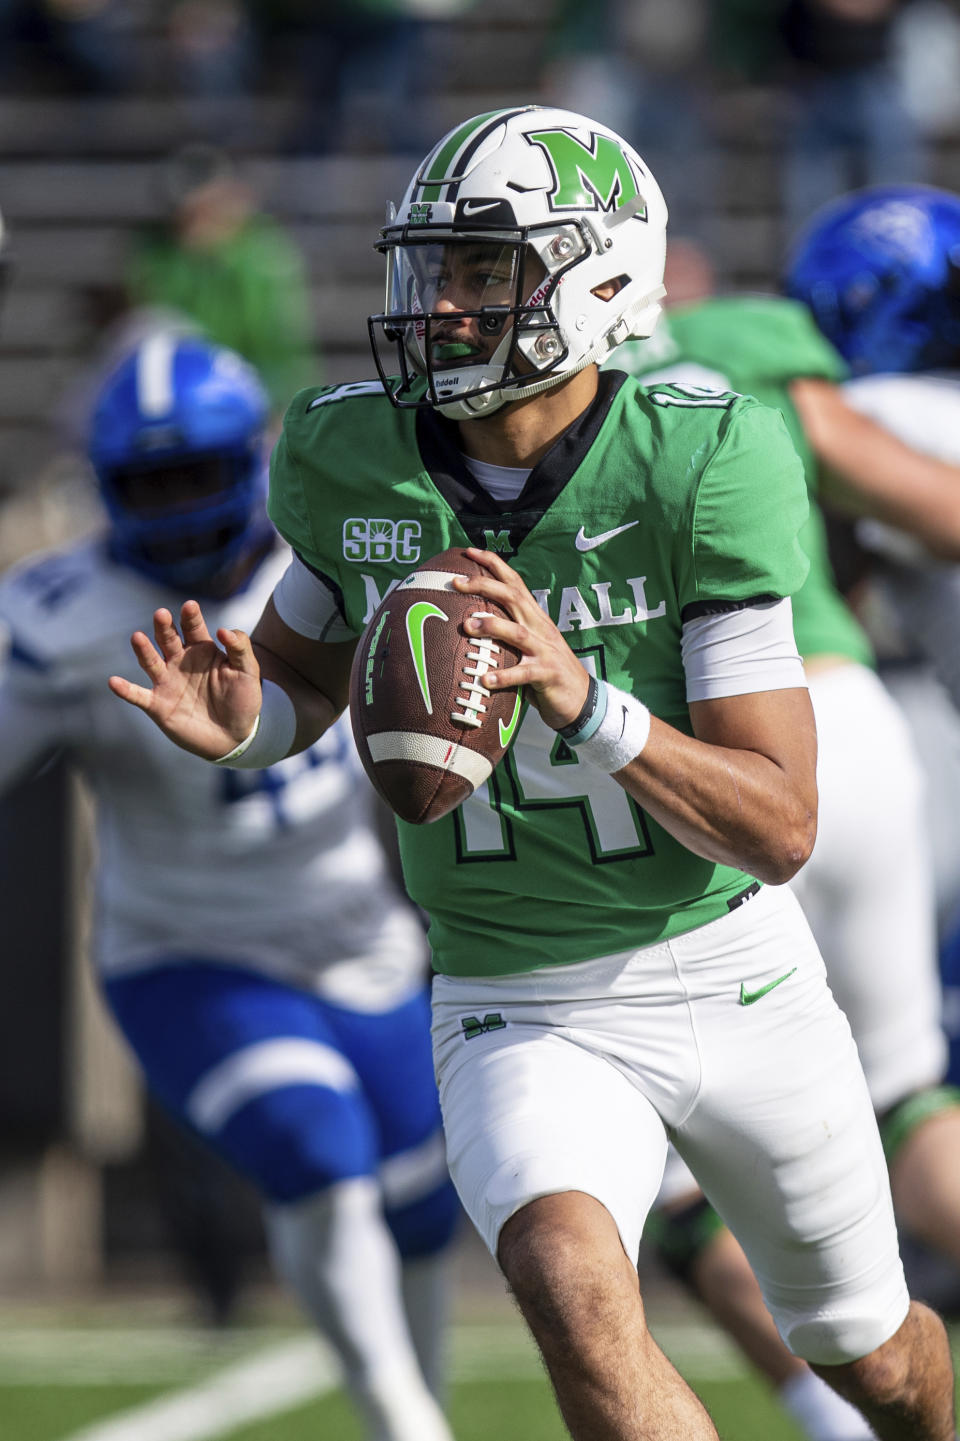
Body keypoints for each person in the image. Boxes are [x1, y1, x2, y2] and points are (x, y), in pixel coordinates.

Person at [108, 106, 957, 1441]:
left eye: (485, 273)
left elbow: (781, 823)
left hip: (730, 968)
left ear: (603, 281)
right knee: (566, 1278)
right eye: (433, 267)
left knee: (877, 1355)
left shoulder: (697, 451)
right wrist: (251, 723)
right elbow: (303, 679)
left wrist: (583, 696)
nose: (440, 304)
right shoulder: (349, 451)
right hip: (517, 990)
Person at [0, 331, 458, 1441]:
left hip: (364, 938)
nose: (178, 503)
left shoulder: (342, 556)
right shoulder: (58, 617)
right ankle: (406, 1425)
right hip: (190, 951)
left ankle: (423, 1409)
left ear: (252, 460)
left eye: (198, 471)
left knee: (428, 1211)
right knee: (313, 1145)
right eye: (153, 479)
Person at [612, 246, 960, 1438]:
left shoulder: (515, 399)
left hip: (675, 768)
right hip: (843, 722)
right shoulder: (749, 344)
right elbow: (932, 505)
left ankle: (831, 1426)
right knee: (910, 1096)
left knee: (673, 1173)